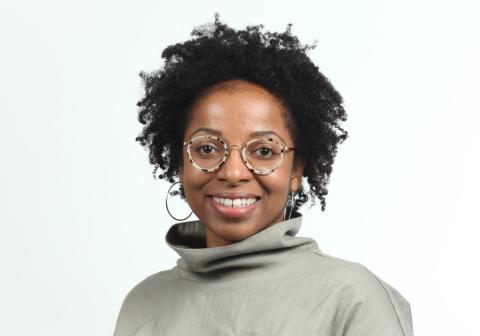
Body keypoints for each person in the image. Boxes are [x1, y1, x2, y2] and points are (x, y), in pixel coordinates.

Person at [113, 13, 414, 336]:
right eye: (207, 149)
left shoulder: (352, 300)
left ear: (296, 170)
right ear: (179, 162)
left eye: (264, 151)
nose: (232, 172)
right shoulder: (143, 304)